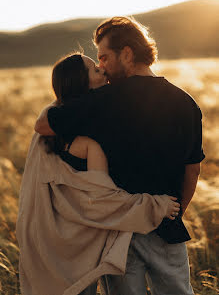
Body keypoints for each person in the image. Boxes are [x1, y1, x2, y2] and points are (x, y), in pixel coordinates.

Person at [35, 17, 205, 295]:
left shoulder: (104, 99)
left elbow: (43, 126)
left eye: (104, 57)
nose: (101, 65)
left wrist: (55, 103)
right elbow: (192, 170)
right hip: (167, 226)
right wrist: (170, 214)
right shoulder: (186, 102)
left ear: (127, 53)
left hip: (119, 231)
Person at [16, 52, 180, 295]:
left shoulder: (47, 130)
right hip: (77, 245)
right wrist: (156, 205)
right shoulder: (87, 141)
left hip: (47, 243)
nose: (102, 70)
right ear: (82, 83)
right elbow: (103, 201)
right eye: (95, 70)